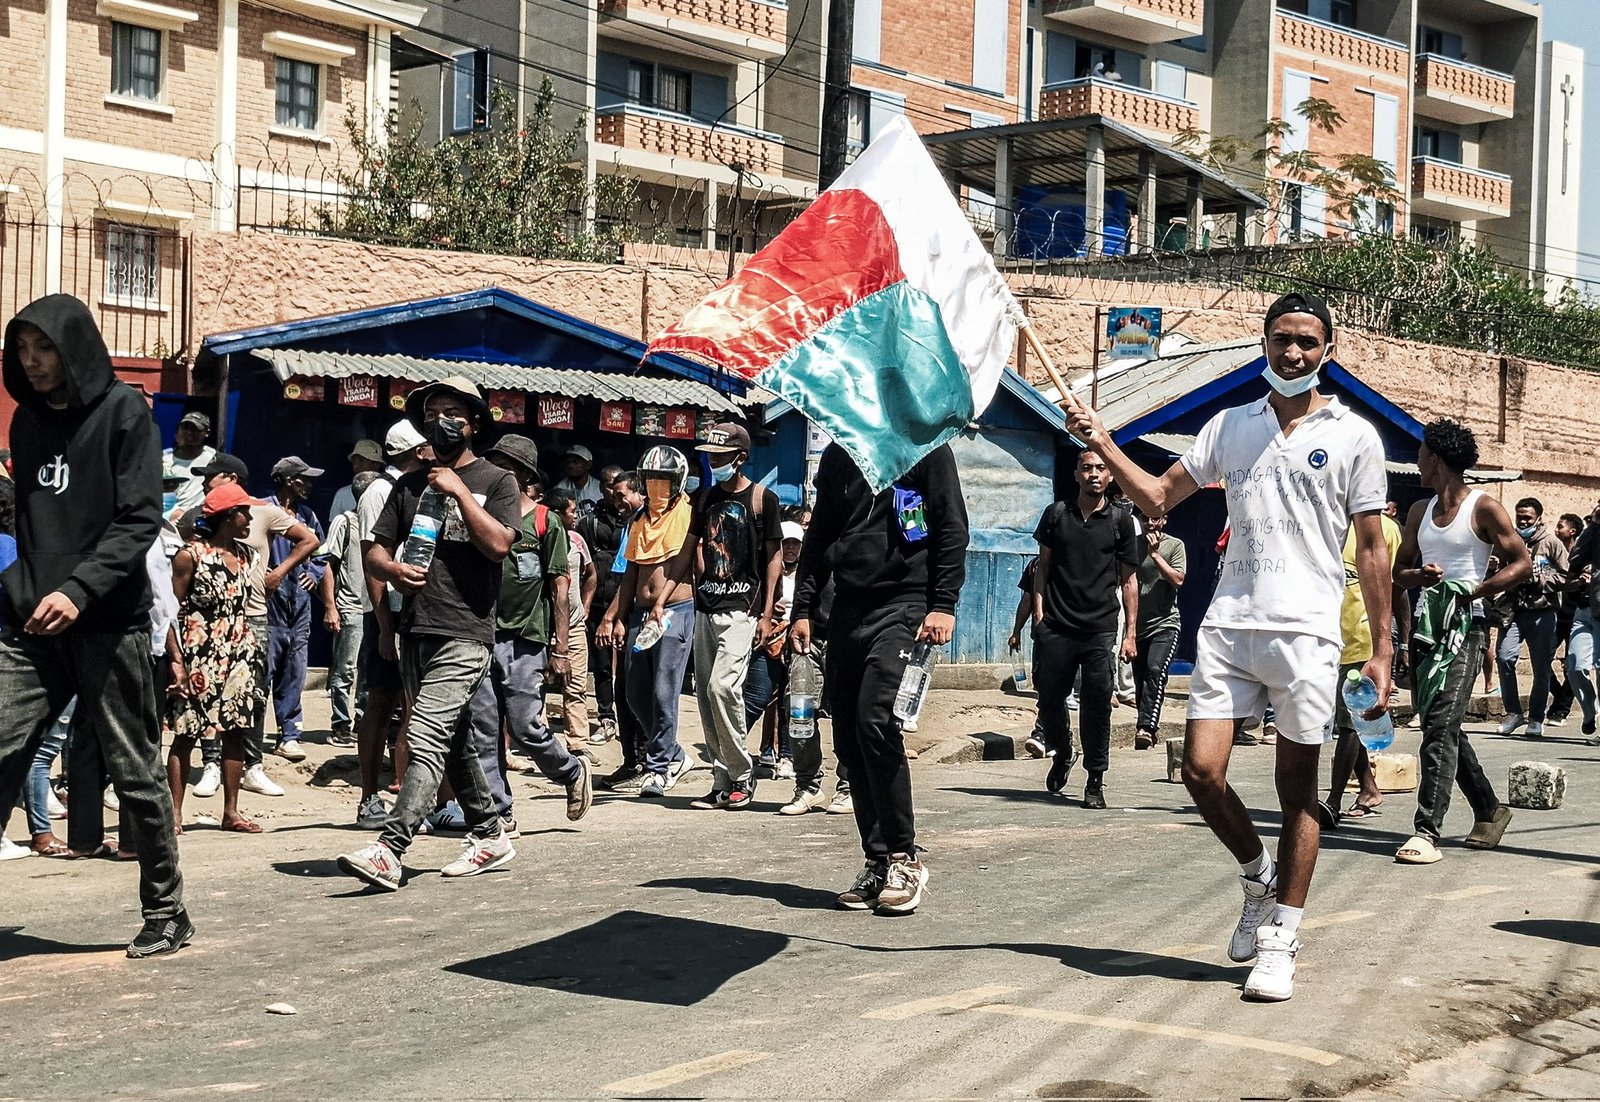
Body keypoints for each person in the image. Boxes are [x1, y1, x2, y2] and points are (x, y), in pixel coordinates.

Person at [1066, 292, 1393, 1002]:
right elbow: (1156, 498)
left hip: (1307, 631)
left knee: (1296, 791)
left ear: (1327, 350)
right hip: (1228, 625)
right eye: (1283, 339)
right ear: (1264, 343)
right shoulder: (1229, 426)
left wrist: (1383, 652)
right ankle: (1257, 878)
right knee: (1202, 773)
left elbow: (1372, 548)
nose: (1294, 353)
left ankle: (1283, 937)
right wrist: (1103, 443)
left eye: (1309, 341)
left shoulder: (1353, 435)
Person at [0, 293, 189, 956]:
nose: (33, 363)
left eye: (44, 349)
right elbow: (29, 520)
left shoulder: (123, 416)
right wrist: (28, 590)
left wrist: (79, 590)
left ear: (74, 346)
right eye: (23, 352)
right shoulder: (25, 421)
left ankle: (167, 911)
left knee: (134, 770)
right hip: (31, 621)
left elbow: (139, 520)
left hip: (109, 619)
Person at [336, 376, 521, 890]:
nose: (443, 421)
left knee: (424, 733)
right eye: (434, 412)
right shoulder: (407, 485)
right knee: (455, 738)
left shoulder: (496, 481)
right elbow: (374, 550)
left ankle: (391, 848)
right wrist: (391, 572)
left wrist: (460, 491)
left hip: (466, 629)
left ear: (474, 423)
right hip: (417, 626)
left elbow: (500, 546)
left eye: (453, 413)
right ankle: (489, 833)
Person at [792, 442, 968, 916]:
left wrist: (943, 602)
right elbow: (820, 534)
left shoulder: (925, 446)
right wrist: (803, 608)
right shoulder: (837, 455)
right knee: (848, 739)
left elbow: (951, 525)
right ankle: (877, 860)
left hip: (906, 605)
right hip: (848, 607)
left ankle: (905, 859)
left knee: (876, 720)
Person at [1393, 420, 1529, 863]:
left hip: (1466, 628)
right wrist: (1421, 575)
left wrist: (1476, 590)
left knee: (1438, 727)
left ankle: (1426, 831)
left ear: (1435, 459)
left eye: (1420, 453)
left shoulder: (1484, 508)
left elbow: (1521, 563)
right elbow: (1400, 572)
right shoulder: (1419, 511)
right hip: (1426, 628)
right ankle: (1489, 810)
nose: (1416, 460)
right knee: (1442, 723)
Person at [467, 435, 592, 834]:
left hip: (526, 638)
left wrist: (560, 645)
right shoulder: (481, 516)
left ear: (521, 474)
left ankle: (570, 771)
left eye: (505, 465)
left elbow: (559, 586)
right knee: (484, 728)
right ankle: (500, 811)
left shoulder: (544, 521)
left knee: (524, 727)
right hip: (481, 634)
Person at [190, 453, 319, 798]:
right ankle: (212, 763)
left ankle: (253, 765)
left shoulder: (263, 511)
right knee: (209, 691)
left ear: (231, 478)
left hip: (255, 615)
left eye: (211, 477)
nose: (205, 484)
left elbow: (310, 540)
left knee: (252, 694)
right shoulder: (201, 514)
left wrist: (279, 571)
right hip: (212, 619)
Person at [672, 423, 782, 810]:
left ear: (740, 458)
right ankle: (722, 781)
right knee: (705, 695)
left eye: (721, 456)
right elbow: (689, 552)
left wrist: (767, 613)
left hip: (743, 608)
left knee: (723, 687)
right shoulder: (704, 499)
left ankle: (742, 772)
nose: (714, 462)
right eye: (710, 456)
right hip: (707, 605)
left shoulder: (761, 499)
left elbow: (773, 558)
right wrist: (663, 599)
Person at [1031, 451, 1140, 808]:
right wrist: (1038, 613)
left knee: (1097, 707)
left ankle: (1095, 780)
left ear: (1110, 477)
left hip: (1099, 630)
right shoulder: (1056, 514)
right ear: (1076, 474)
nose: (1094, 474)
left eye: (1101, 469)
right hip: (1057, 627)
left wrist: (1130, 633)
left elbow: (1129, 580)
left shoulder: (1121, 521)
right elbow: (1042, 569)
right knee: (1049, 699)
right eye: (1087, 468)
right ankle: (1063, 752)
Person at [596, 447, 698, 798]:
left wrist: (663, 600)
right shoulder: (639, 521)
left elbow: (686, 564)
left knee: (664, 692)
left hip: (674, 612)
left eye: (663, 481)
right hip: (641, 616)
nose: (656, 488)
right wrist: (615, 617)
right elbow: (631, 574)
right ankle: (674, 754)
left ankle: (658, 769)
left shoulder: (687, 514)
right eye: (651, 480)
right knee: (635, 694)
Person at [164, 484, 266, 835]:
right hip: (198, 656)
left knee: (235, 731)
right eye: (244, 512)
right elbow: (169, 611)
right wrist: (176, 659)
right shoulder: (189, 555)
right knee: (186, 733)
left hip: (238, 653)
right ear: (226, 517)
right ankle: (175, 813)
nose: (249, 518)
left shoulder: (246, 555)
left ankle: (231, 812)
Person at [351, 420, 431, 828]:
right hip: (387, 612)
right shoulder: (381, 492)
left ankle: (415, 796)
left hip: (418, 611)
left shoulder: (424, 488)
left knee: (416, 706)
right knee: (382, 702)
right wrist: (384, 627)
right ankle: (369, 797)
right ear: (417, 451)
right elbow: (373, 566)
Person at [1319, 503, 1407, 827]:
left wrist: (1399, 643)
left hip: (1363, 640)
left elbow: (1395, 589)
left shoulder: (1385, 530)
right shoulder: (1324, 521)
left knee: (1349, 723)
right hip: (1326, 639)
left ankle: (1332, 802)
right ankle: (1369, 789)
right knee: (1350, 723)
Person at [263, 456, 328, 762]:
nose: (310, 484)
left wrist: (312, 575)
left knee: (295, 669)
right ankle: (247, 737)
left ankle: (288, 735)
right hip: (268, 605)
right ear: (288, 480)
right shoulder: (262, 509)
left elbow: (321, 553)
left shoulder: (308, 516)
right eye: (305, 478)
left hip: (299, 605)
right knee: (263, 668)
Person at [1495, 497, 1569, 738]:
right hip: (1514, 612)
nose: (1523, 521)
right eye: (1519, 517)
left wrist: (1539, 579)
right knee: (1505, 657)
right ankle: (1514, 713)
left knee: (1541, 668)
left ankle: (1536, 718)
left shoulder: (1551, 543)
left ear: (1538, 517)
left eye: (1527, 517)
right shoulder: (1510, 540)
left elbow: (1565, 576)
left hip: (1543, 612)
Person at [322, 471, 380, 746]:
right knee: (345, 668)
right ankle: (341, 724)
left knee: (369, 670)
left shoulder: (382, 526)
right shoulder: (346, 522)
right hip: (351, 606)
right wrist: (330, 607)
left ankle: (361, 720)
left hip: (375, 608)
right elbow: (327, 567)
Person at [578, 465, 632, 746]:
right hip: (598, 599)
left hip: (625, 601)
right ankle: (606, 717)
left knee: (624, 666)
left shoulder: (633, 520)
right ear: (602, 488)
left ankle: (630, 720)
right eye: (609, 485)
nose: (613, 492)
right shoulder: (589, 521)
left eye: (618, 485)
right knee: (600, 664)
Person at [546, 489, 596, 749]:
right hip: (544, 627)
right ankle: (542, 744)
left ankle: (578, 745)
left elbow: (591, 575)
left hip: (574, 626)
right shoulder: (541, 537)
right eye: (572, 511)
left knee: (576, 687)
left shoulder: (577, 540)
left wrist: (585, 607)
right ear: (557, 514)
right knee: (536, 687)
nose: (576, 516)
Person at [1133, 513, 1186, 751]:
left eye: (1155, 519)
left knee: (1155, 670)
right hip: (1137, 626)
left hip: (1166, 624)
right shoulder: (1132, 545)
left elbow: (1178, 580)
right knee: (1140, 679)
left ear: (1164, 520)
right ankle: (1145, 724)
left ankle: (1146, 727)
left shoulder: (1174, 545)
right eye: (1145, 519)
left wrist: (1154, 554)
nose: (1150, 524)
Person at [1566, 500, 1600, 742]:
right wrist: (1593, 526)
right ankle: (1591, 713)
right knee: (1575, 666)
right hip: (1584, 609)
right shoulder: (1594, 533)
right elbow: (1575, 559)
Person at [1547, 513, 1585, 726]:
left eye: (1560, 527)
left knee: (1573, 665)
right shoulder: (1552, 553)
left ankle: (1560, 710)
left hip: (1578, 614)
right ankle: (1560, 695)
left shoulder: (1583, 553)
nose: (1556, 530)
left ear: (1572, 531)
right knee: (1542, 659)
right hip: (1555, 614)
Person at [162, 410, 215, 518]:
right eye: (186, 427)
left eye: (196, 429)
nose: (190, 432)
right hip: (170, 516)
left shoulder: (213, 458)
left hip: (200, 517)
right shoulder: (165, 459)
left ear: (207, 433)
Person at [330, 439, 385, 520]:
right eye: (354, 462)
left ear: (376, 464)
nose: (356, 466)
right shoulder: (342, 494)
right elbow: (334, 527)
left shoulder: (387, 491)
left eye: (361, 461)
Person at [555, 445, 604, 514]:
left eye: (575, 462)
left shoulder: (599, 488)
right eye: (568, 462)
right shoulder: (559, 489)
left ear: (588, 465)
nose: (571, 466)